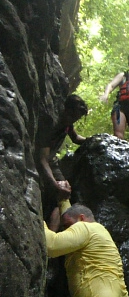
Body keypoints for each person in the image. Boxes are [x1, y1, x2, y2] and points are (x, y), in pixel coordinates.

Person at [37, 94, 88, 224]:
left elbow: (75, 138)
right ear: (66, 109)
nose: (73, 120)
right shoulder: (51, 124)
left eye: (76, 118)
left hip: (51, 161)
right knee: (58, 191)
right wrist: (55, 185)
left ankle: (54, 235)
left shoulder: (67, 123)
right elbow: (42, 159)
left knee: (64, 194)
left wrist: (95, 139)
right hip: (39, 161)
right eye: (73, 116)